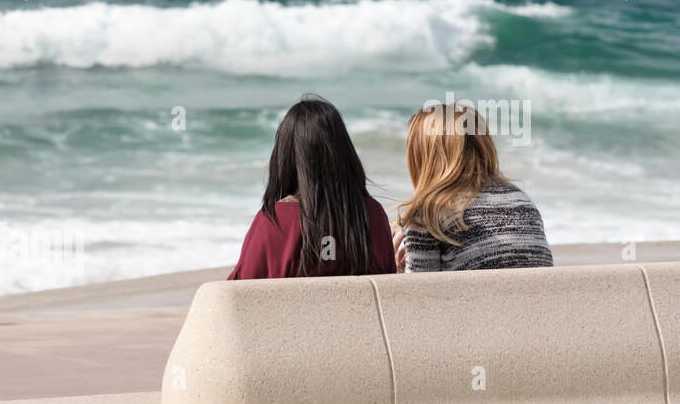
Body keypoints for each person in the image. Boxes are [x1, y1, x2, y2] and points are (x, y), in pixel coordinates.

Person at [229, 96, 396, 280]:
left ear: (285, 156)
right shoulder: (372, 216)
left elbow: (240, 295)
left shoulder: (274, 221)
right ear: (344, 152)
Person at [393, 103, 552, 272]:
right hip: (541, 297)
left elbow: (421, 291)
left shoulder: (427, 213)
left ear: (421, 156)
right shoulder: (522, 200)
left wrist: (398, 270)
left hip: (480, 298)